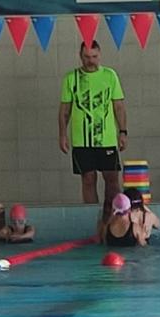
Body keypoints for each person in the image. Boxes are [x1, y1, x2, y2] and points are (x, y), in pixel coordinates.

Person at [59, 38, 128, 210]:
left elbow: (119, 106)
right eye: (87, 57)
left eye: (94, 57)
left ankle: (113, 215)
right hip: (82, 140)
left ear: (100, 55)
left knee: (112, 178)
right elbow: (65, 110)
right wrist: (62, 134)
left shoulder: (110, 75)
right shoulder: (71, 78)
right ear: (80, 56)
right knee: (88, 179)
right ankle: (92, 216)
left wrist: (123, 132)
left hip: (106, 139)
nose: (91, 61)